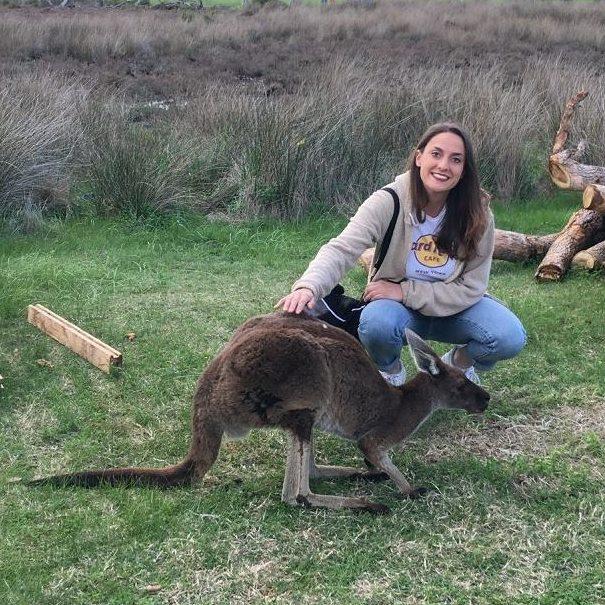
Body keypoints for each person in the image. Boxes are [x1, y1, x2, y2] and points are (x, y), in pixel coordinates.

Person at [276, 122, 526, 386]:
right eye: (436, 154)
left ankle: (455, 365)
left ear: (464, 170)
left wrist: (405, 291)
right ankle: (390, 373)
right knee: (376, 323)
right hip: (399, 310)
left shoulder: (478, 212)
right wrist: (309, 287)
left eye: (456, 159)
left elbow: (473, 286)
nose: (443, 166)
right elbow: (343, 247)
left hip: (453, 308)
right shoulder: (389, 200)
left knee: (509, 336)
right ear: (419, 158)